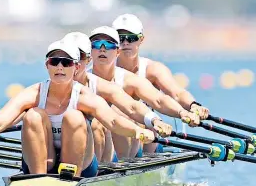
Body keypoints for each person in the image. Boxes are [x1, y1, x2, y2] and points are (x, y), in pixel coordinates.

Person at [0, 40, 155, 178]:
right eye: (54, 62)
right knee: (33, 115)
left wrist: (137, 131)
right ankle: (38, 179)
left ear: (76, 68)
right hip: (43, 161)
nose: (60, 67)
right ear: (47, 65)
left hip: (80, 165)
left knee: (74, 117)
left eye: (66, 62)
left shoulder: (84, 96)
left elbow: (112, 121)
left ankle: (70, 179)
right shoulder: (34, 93)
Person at [87, 26, 201, 160]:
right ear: (90, 50)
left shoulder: (131, 80)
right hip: (97, 142)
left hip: (136, 143)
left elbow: (159, 100)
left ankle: (121, 166)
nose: (102, 49)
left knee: (123, 114)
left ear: (117, 51)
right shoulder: (81, 79)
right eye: (96, 44)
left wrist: (182, 112)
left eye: (108, 45)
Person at [62, 31, 174, 163]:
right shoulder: (45, 89)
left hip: (118, 150)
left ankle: (108, 171)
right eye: (65, 59)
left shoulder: (107, 84)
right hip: (73, 149)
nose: (74, 63)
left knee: (106, 119)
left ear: (88, 59)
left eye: (79, 56)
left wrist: (156, 120)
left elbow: (133, 107)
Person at [112, 14, 212, 153]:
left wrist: (193, 105)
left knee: (138, 120)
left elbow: (176, 93)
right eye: (120, 38)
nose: (126, 43)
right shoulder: (101, 71)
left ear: (141, 39)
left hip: (146, 140)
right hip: (113, 135)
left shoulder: (153, 70)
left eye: (132, 38)